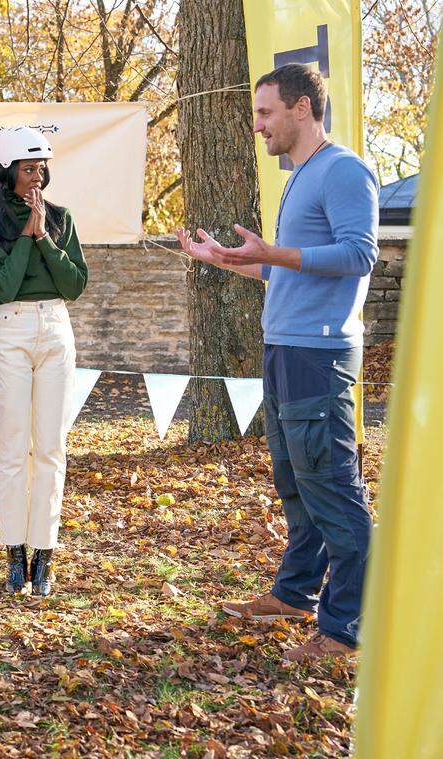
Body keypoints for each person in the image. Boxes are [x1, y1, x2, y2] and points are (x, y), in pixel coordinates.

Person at [174, 62, 377, 663]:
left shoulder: (343, 170)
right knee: (297, 483)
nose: (258, 125)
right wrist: (228, 260)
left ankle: (345, 630)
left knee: (332, 488)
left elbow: (359, 254)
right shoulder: (301, 176)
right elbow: (283, 265)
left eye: (265, 113)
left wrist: (276, 252)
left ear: (301, 109)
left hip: (319, 354)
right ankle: (295, 595)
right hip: (285, 347)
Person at [0, 126, 88, 597]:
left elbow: (74, 284)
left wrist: (44, 239)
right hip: (11, 330)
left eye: (40, 167)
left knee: (50, 448)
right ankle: (14, 552)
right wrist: (24, 237)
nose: (36, 175)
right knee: (13, 447)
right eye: (27, 167)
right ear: (5, 173)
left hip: (56, 330)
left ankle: (45, 553)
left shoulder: (61, 219)